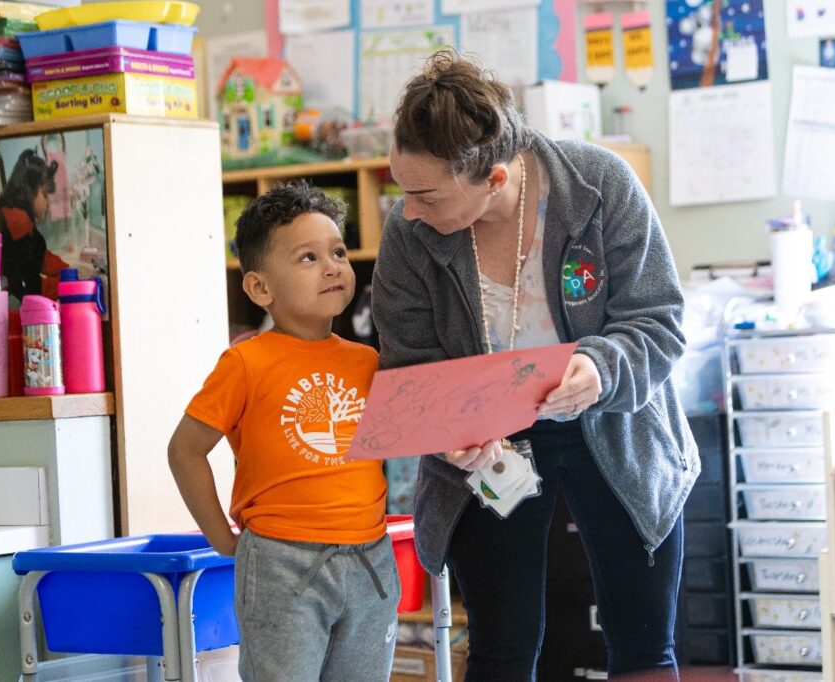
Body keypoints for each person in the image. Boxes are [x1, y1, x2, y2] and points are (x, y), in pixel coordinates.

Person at [371, 50, 700, 681]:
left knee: (644, 644)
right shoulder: (410, 235)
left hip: (617, 429)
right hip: (493, 452)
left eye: (425, 194)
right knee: (501, 646)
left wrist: (601, 368)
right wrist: (452, 432)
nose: (408, 210)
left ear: (493, 180)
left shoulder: (597, 187)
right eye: (401, 188)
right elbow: (409, 368)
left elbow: (657, 319)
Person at [168, 181, 399, 681]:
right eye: (308, 257)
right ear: (259, 288)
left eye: (338, 251)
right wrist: (223, 539)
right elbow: (185, 450)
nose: (334, 265)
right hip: (280, 562)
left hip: (371, 560)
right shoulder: (245, 362)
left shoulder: (370, 361)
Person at [0, 149, 69, 302]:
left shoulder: (16, 214)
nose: (48, 203)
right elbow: (32, 286)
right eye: (44, 195)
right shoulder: (18, 221)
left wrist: (68, 271)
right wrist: (67, 285)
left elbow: (39, 254)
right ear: (29, 191)